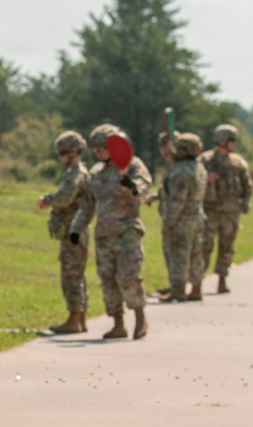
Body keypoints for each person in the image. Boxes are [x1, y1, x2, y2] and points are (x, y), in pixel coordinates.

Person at [69, 124, 152, 340]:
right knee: (108, 279)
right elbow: (88, 205)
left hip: (127, 232)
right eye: (95, 149)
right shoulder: (96, 173)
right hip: (104, 235)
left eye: (102, 148)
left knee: (129, 276)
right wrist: (76, 229)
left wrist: (132, 186)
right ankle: (118, 324)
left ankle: (140, 318)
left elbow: (143, 186)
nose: (98, 153)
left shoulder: (132, 165)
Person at [38, 130, 90, 334]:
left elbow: (64, 198)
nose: (60, 158)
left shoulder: (76, 174)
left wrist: (47, 200)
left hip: (73, 230)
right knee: (77, 274)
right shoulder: (80, 172)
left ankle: (74, 320)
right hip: (77, 229)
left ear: (73, 152)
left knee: (71, 276)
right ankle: (80, 319)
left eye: (62, 153)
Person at [199, 124, 253, 293]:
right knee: (204, 246)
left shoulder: (238, 162)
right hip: (210, 210)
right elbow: (193, 181)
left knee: (227, 247)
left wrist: (245, 203)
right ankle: (197, 282)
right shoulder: (205, 160)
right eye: (231, 140)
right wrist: (206, 179)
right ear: (221, 140)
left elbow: (247, 185)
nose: (234, 144)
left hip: (231, 212)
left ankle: (222, 279)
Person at [158, 133, 207, 302]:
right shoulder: (198, 167)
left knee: (178, 253)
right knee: (195, 254)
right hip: (197, 216)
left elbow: (177, 201)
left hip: (182, 220)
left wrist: (168, 222)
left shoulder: (181, 172)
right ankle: (196, 287)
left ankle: (178, 290)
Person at [145, 131, 175, 295]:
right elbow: (166, 190)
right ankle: (174, 285)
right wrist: (155, 196)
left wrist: (171, 219)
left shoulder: (176, 166)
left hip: (175, 216)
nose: (162, 150)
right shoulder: (172, 165)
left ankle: (177, 288)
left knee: (176, 253)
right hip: (171, 214)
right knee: (171, 252)